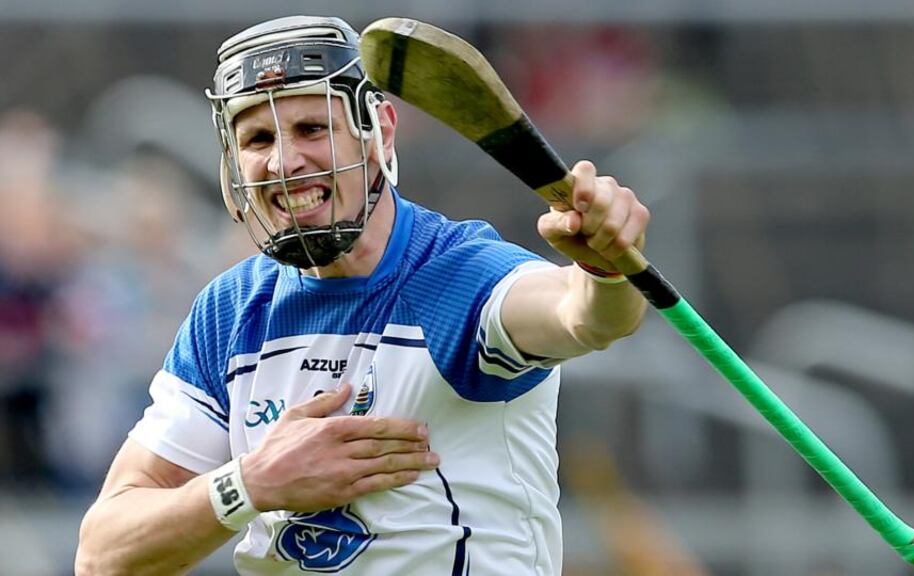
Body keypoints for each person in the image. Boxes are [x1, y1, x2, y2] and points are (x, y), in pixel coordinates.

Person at [75, 15, 650, 576]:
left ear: (380, 132)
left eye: (311, 129)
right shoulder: (230, 311)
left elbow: (585, 318)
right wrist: (252, 483)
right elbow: (104, 555)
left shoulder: (458, 277)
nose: (283, 162)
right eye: (257, 138)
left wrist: (604, 269)